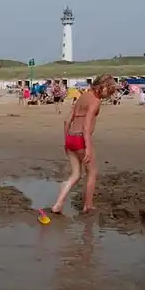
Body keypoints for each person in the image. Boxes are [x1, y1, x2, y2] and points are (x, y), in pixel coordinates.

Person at [51, 74, 117, 214]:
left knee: (75, 174)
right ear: (102, 87)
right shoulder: (95, 101)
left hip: (70, 137)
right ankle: (88, 206)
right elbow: (87, 125)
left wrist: (66, 141)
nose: (108, 96)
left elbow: (67, 121)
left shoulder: (82, 96)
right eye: (108, 91)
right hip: (81, 139)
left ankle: (58, 204)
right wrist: (87, 147)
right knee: (92, 172)